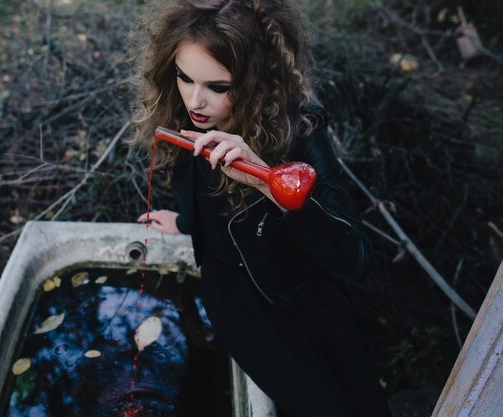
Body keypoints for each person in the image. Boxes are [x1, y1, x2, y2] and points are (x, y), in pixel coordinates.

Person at [132, 1, 393, 416]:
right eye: (185, 77)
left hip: (307, 291)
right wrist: (183, 224)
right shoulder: (181, 116)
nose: (195, 100)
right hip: (239, 302)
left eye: (218, 87)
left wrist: (268, 182)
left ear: (255, 80)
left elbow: (354, 258)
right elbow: (209, 207)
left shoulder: (301, 132)